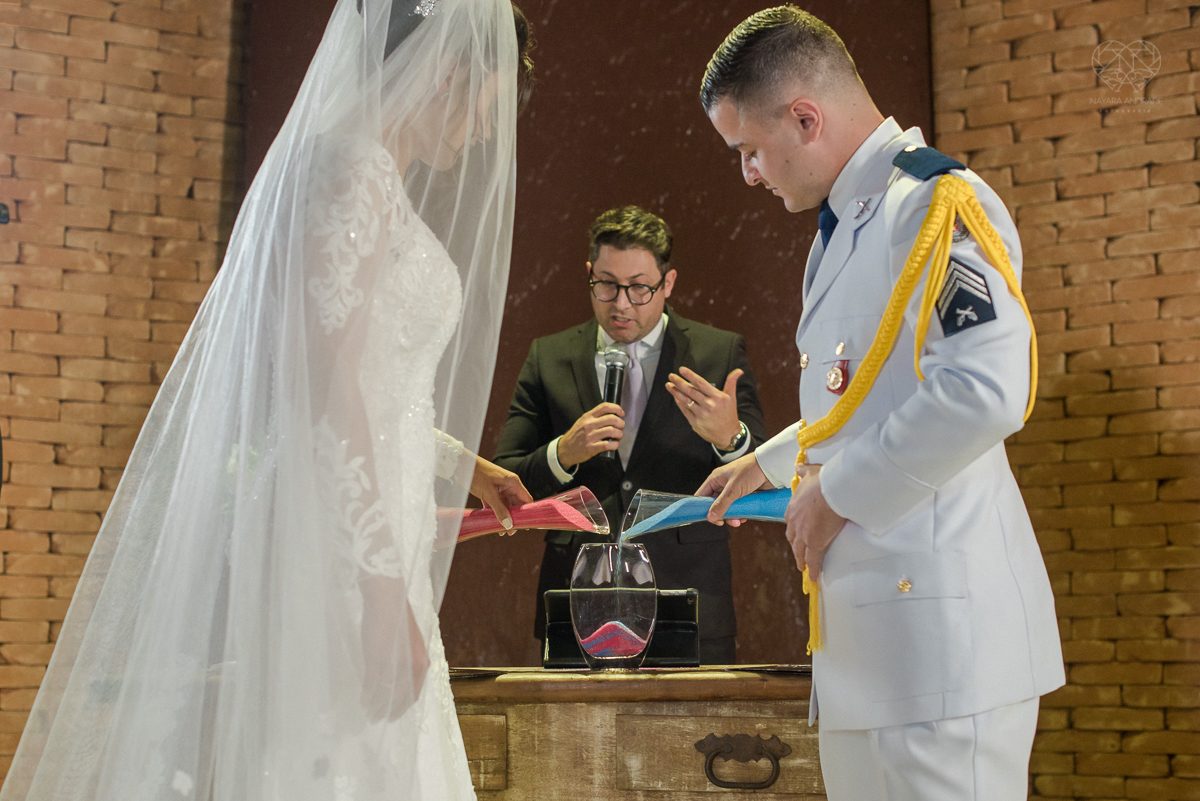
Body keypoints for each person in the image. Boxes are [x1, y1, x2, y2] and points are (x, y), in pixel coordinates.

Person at [1, 2, 534, 799]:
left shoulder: (348, 165)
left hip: (360, 533)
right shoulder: (356, 171)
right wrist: (379, 584)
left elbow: (364, 372)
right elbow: (322, 380)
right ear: (449, 69)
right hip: (346, 552)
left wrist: (466, 461)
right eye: (493, 99)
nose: (490, 131)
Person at [694, 7, 1064, 800]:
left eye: (750, 151)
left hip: (941, 646)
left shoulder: (936, 205)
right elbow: (866, 395)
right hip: (875, 645)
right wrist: (769, 460)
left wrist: (839, 492)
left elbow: (987, 386)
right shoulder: (846, 225)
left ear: (804, 116)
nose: (750, 174)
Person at [494, 206, 767, 664]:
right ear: (588, 274)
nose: (621, 303)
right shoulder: (550, 356)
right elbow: (505, 478)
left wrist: (731, 438)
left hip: (689, 597)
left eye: (640, 288)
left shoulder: (717, 352)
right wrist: (564, 453)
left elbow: (767, 471)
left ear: (668, 283)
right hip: (576, 601)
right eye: (606, 284)